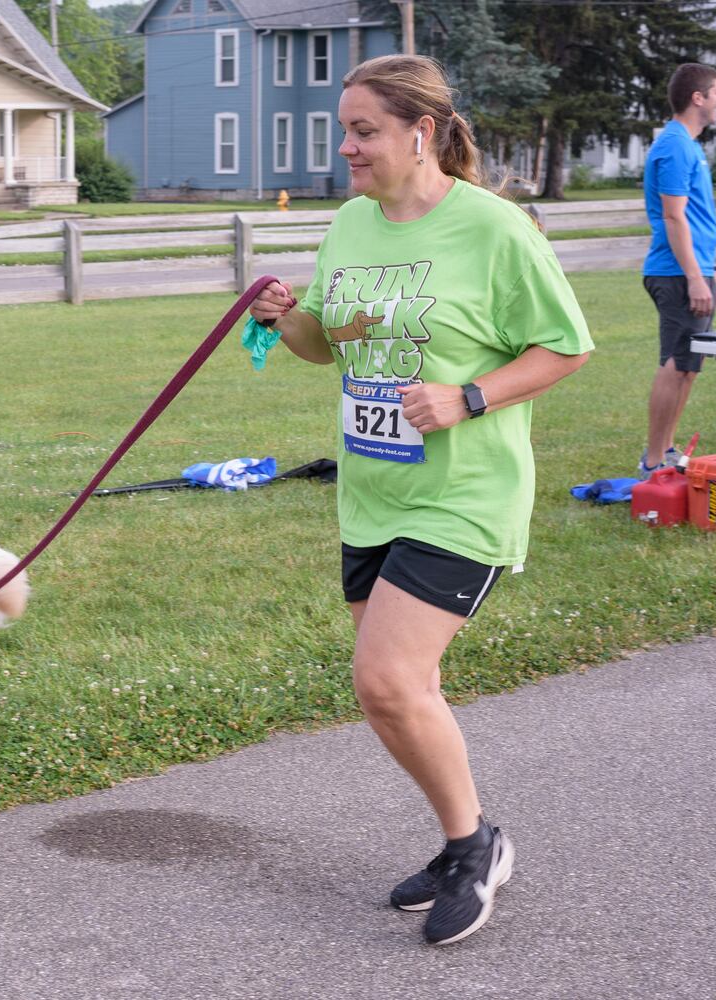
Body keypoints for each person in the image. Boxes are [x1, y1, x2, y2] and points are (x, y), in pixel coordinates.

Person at [246, 54, 593, 945]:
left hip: (464, 495)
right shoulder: (351, 226)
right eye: (346, 129)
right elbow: (327, 343)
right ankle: (463, 842)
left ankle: (474, 847)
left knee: (386, 678)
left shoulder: (494, 229)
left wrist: (468, 396)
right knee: (398, 691)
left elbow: (565, 347)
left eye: (364, 130)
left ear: (421, 132)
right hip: (372, 492)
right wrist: (283, 313)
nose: (347, 146)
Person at [639, 63, 716, 480]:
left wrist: (710, 270)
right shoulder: (673, 145)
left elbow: (697, 218)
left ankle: (667, 452)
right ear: (698, 98)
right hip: (675, 273)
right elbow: (674, 217)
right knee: (675, 362)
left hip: (694, 269)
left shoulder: (688, 146)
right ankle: (653, 461)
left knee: (689, 364)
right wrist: (694, 277)